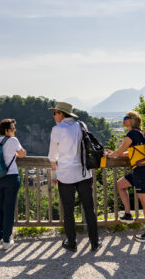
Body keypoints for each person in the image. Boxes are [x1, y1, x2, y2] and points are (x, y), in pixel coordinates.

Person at [47, 101, 100, 252]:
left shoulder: (57, 130)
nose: (54, 115)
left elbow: (52, 156)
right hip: (83, 173)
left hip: (65, 175)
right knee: (89, 209)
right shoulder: (81, 126)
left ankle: (72, 243)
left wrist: (55, 173)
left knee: (69, 210)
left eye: (55, 113)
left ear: (62, 114)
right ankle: (95, 242)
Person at [105, 110, 145, 242]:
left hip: (141, 170)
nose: (124, 119)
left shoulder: (132, 133)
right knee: (120, 184)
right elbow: (132, 152)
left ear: (132, 120)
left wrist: (109, 156)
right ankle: (128, 214)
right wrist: (118, 154)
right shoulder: (141, 134)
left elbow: (121, 149)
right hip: (141, 169)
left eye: (126, 117)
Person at [0, 118, 27, 250]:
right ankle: (6, 240)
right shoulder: (13, 140)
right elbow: (22, 154)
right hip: (11, 177)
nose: (15, 131)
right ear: (7, 130)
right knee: (9, 209)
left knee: (0, 209)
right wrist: (18, 153)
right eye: (13, 129)